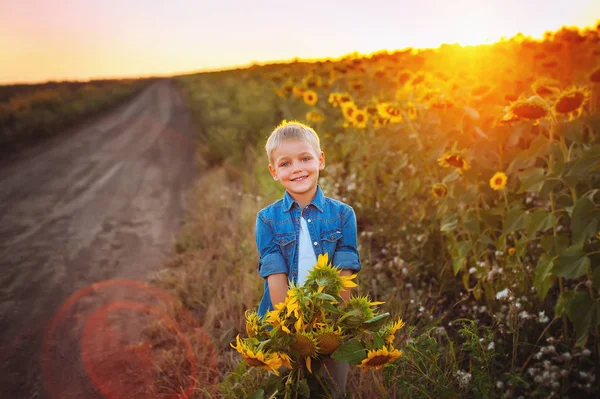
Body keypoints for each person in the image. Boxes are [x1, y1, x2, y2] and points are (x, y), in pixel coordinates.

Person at [255, 121, 361, 398]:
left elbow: (345, 269)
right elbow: (274, 272)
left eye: (305, 158)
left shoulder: (342, 214)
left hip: (331, 319)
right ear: (274, 172)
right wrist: (287, 326)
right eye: (285, 163)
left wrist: (334, 322)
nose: (297, 168)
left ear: (320, 160)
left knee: (331, 388)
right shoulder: (267, 219)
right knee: (288, 387)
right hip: (284, 320)